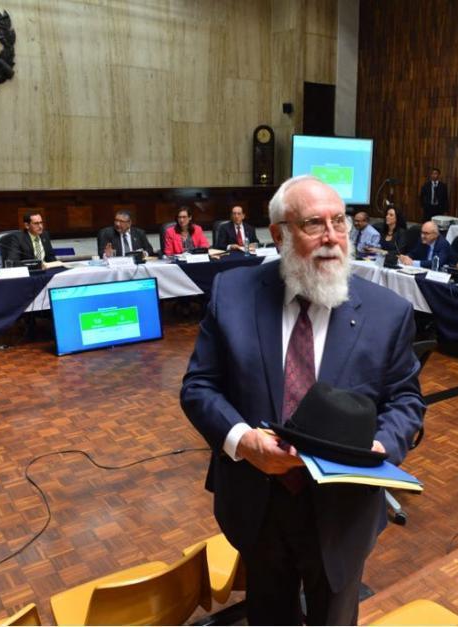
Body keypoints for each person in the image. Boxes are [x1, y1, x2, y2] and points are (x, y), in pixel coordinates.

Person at [180, 175, 424, 625]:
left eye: (340, 222)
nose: (333, 237)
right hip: (258, 501)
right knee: (270, 615)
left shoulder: (389, 313)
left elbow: (406, 400)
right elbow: (199, 387)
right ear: (280, 234)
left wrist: (384, 445)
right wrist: (243, 441)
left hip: (343, 508)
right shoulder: (231, 295)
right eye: (315, 224)